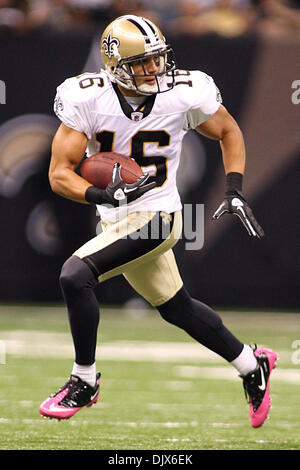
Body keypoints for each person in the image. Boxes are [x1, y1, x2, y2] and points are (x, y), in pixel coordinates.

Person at [39, 14, 277, 428]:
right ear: (115, 66)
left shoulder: (183, 92)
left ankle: (84, 380)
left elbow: (228, 131)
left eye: (158, 59)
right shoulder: (87, 98)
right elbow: (59, 174)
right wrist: (100, 193)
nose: (155, 69)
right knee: (177, 308)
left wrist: (234, 187)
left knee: (74, 276)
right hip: (116, 218)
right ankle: (250, 364)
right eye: (143, 63)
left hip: (159, 218)